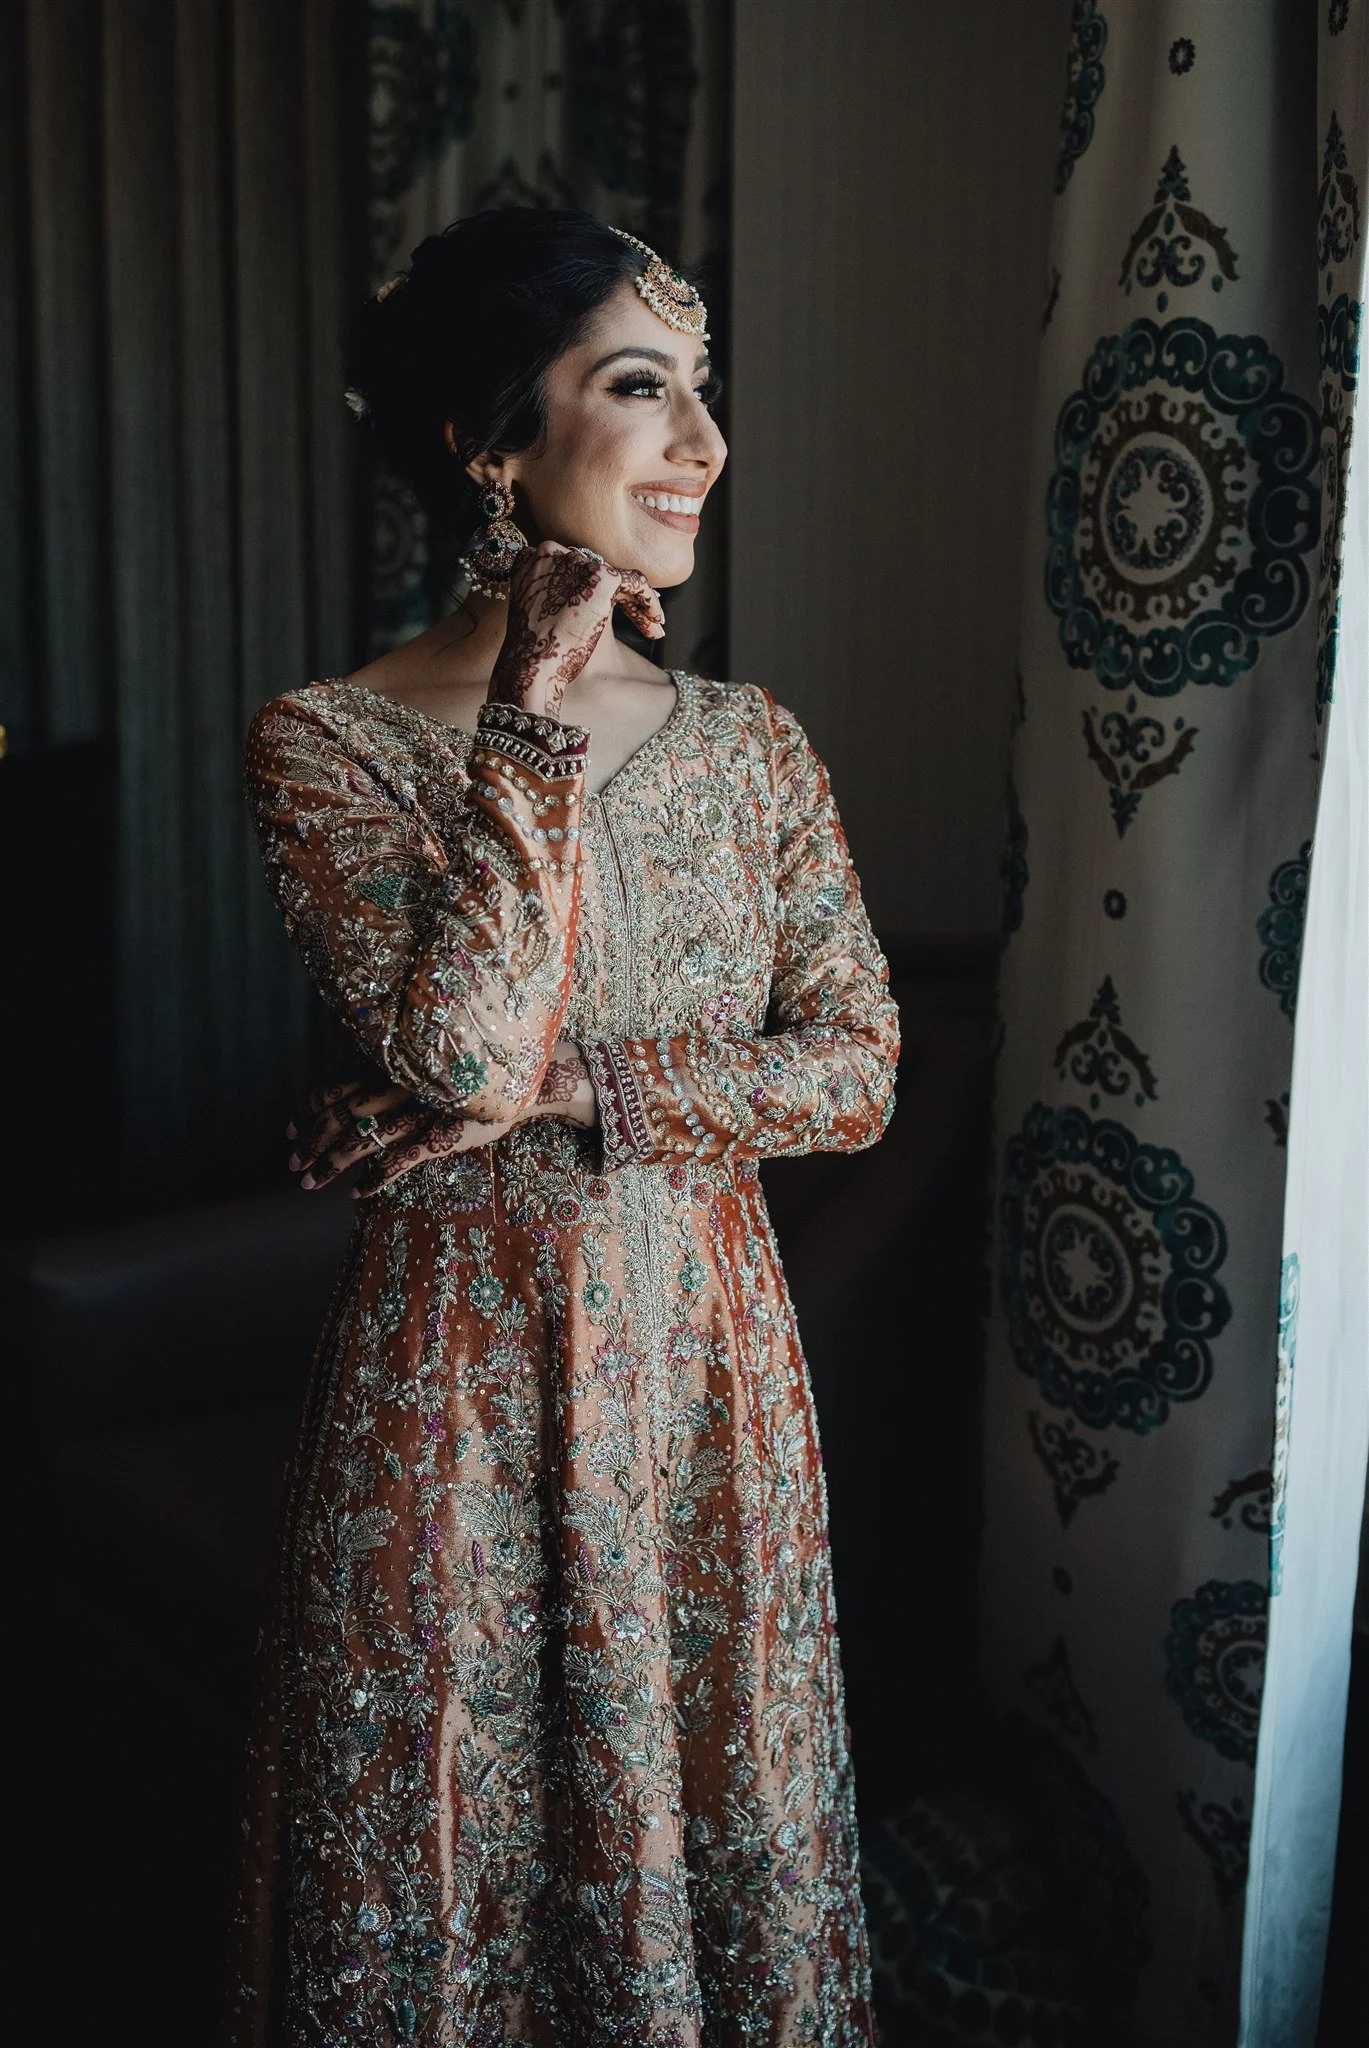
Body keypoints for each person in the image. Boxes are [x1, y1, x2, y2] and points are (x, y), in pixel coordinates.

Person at [225, 207, 900, 2047]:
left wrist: (572, 1088)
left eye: (707, 393)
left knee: (705, 1840)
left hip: (708, 1380)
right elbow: (453, 1045)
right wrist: (528, 702)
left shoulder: (752, 742)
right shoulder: (331, 741)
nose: (704, 443)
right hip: (449, 1387)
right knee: (449, 1853)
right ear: (488, 441)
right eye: (640, 389)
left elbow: (855, 1068)